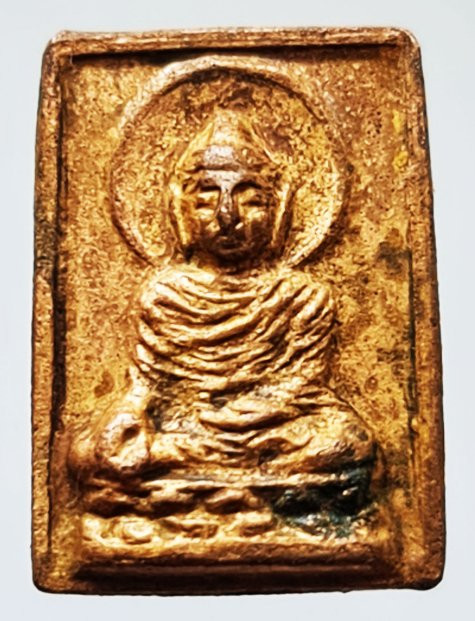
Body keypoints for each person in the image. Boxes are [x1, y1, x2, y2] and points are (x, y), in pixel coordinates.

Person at [69, 111, 378, 532]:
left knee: (348, 442)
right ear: (180, 209)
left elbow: (301, 386)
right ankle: (258, 491)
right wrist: (129, 412)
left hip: (269, 428)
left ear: (279, 209)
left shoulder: (303, 296)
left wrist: (246, 416)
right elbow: (146, 385)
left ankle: (197, 488)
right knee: (89, 452)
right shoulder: (164, 295)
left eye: (250, 199)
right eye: (206, 198)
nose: (227, 214)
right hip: (187, 426)